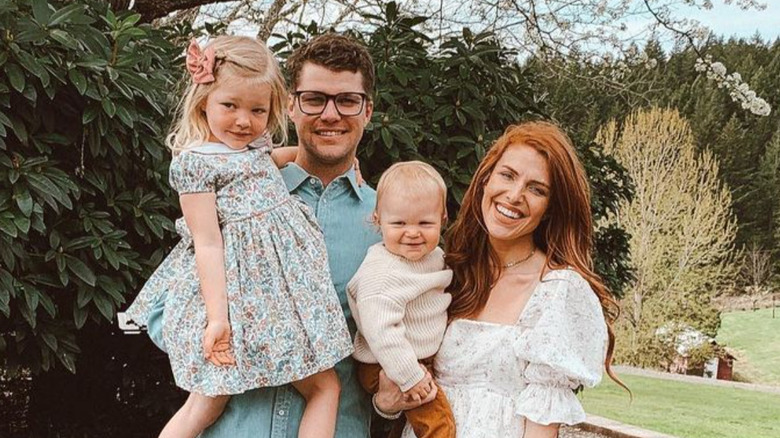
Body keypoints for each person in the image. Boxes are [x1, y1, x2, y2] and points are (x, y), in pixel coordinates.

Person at [145, 34, 435, 437]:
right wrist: (240, 324)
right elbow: (163, 313)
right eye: (315, 98)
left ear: (368, 111)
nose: (330, 114)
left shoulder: (393, 226)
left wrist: (387, 403)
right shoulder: (233, 197)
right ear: (293, 106)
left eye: (347, 100)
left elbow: (414, 334)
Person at [125, 36, 354, 438]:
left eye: (257, 110)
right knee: (207, 402)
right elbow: (207, 243)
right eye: (229, 106)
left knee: (323, 387)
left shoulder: (253, 149)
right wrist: (218, 319)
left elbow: (270, 159)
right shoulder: (195, 163)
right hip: (244, 296)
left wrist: (352, 168)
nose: (243, 121)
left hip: (280, 298)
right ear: (203, 102)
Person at [375, 121, 624, 438]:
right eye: (507, 175)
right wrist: (385, 403)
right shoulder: (448, 272)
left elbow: (541, 427)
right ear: (485, 181)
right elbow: (403, 394)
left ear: (549, 209)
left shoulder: (558, 291)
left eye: (537, 189)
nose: (515, 195)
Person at [348, 161, 456, 438]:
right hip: (388, 363)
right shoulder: (382, 273)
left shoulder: (434, 257)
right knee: (438, 423)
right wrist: (410, 376)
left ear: (443, 219)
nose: (412, 232)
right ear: (377, 220)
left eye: (425, 223)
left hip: (414, 358)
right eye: (398, 223)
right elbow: (381, 332)